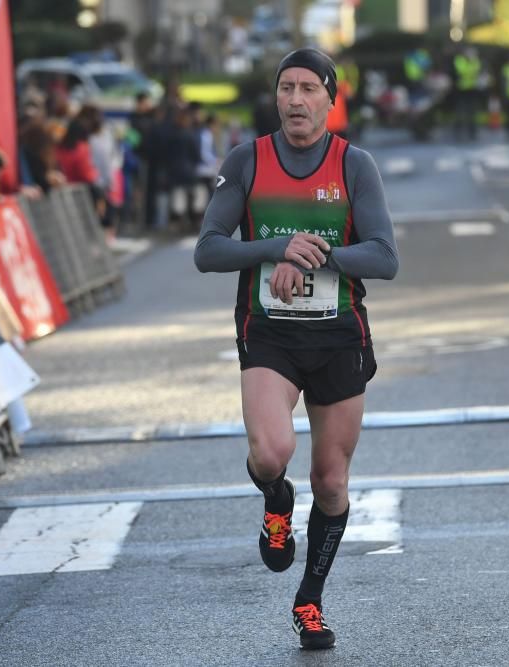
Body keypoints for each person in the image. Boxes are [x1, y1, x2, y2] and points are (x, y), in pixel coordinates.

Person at [193, 47, 399, 650]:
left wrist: (320, 255)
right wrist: (275, 247)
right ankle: (275, 498)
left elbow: (386, 257)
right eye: (286, 88)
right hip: (270, 331)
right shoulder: (248, 159)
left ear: (330, 99)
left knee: (332, 481)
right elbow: (208, 249)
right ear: (276, 96)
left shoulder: (354, 165)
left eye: (309, 88)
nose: (296, 100)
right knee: (271, 451)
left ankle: (309, 602)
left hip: (339, 334)